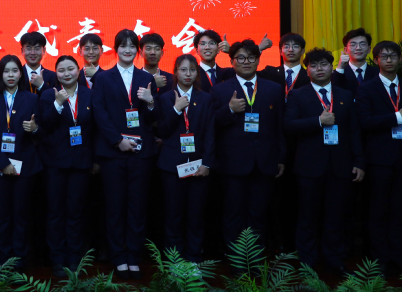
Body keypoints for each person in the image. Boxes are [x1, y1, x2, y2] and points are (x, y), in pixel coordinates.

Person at [285, 48, 364, 276]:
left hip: (340, 166)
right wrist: (317, 121)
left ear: (332, 67)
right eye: (314, 65)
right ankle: (307, 265)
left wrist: (359, 161)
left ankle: (335, 262)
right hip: (309, 168)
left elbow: (354, 131)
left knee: (336, 217)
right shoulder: (297, 95)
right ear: (307, 69)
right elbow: (288, 126)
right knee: (307, 218)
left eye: (323, 64)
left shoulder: (345, 94)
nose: (319, 69)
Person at [91, 29, 157, 280]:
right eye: (123, 46)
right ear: (115, 49)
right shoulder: (103, 78)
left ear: (137, 51)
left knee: (137, 207)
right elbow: (99, 113)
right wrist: (118, 141)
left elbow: (153, 118)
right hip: (113, 153)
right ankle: (118, 256)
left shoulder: (146, 77)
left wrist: (151, 101)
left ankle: (134, 256)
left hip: (141, 152)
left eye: (132, 46)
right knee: (115, 206)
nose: (127, 50)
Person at [211, 39, 285, 251]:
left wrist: (281, 157)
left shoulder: (273, 89)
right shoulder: (220, 90)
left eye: (251, 58)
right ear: (232, 62)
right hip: (232, 164)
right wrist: (230, 110)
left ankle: (255, 258)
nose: (246, 62)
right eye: (241, 58)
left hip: (264, 162)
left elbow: (279, 125)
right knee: (233, 214)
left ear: (258, 60)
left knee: (258, 214)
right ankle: (236, 259)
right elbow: (211, 124)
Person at [355, 40, 402, 276]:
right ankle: (378, 260)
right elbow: (364, 121)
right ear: (376, 60)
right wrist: (396, 117)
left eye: (393, 56)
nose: (389, 60)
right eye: (384, 56)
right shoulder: (366, 88)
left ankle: (397, 257)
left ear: (400, 59)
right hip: (379, 160)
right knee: (377, 211)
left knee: (399, 211)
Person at [0, 55, 42, 272]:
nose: (10, 75)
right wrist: (3, 163)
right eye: (6, 71)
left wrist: (35, 129)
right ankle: (2, 260)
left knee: (21, 215)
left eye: (14, 71)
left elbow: (42, 133)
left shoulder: (32, 99)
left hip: (25, 166)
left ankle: (19, 261)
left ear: (21, 74)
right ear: (0, 74)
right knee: (1, 216)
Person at [156, 54, 215, 263]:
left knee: (195, 216)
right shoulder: (165, 98)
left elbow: (210, 133)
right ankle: (174, 262)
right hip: (172, 166)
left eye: (192, 70)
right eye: (183, 70)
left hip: (198, 166)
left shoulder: (205, 98)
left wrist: (207, 163)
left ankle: (194, 259)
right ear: (175, 72)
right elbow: (161, 131)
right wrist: (176, 109)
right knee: (173, 215)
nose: (188, 74)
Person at [39, 55, 94, 276]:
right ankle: (57, 259)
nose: (66, 73)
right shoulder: (48, 95)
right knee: (55, 212)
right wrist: (58, 104)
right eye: (61, 70)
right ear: (56, 73)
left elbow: (95, 129)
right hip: (54, 163)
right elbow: (45, 125)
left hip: (81, 163)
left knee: (75, 212)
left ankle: (74, 258)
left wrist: (95, 160)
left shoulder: (89, 94)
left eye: (71, 68)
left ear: (78, 70)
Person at [258, 33, 309, 98]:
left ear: (302, 51)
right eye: (286, 46)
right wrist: (259, 49)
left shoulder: (309, 76)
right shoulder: (270, 72)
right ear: (280, 52)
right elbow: (248, 74)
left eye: (295, 46)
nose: (290, 50)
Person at [334, 28, 379, 94]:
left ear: (369, 49)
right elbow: (333, 92)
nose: (358, 48)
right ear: (346, 50)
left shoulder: (378, 73)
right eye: (353, 44)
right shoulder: (339, 73)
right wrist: (340, 68)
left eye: (362, 44)